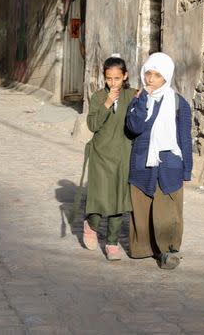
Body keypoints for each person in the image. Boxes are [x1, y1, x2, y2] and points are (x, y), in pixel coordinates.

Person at [125, 52, 192, 270]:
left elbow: (185, 138)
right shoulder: (138, 100)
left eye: (157, 75)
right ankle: (143, 248)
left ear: (167, 76)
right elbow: (134, 127)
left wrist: (187, 169)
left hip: (169, 163)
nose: (150, 79)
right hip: (142, 160)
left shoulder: (179, 104)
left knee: (168, 209)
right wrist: (143, 99)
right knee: (141, 206)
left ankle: (169, 250)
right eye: (148, 73)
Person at [81, 55, 136, 261]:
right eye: (109, 79)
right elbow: (93, 125)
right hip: (101, 155)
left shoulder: (132, 95)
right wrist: (107, 103)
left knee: (119, 200)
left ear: (125, 76)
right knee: (99, 197)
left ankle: (112, 243)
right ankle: (91, 224)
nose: (113, 83)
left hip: (123, 155)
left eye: (117, 79)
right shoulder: (97, 97)